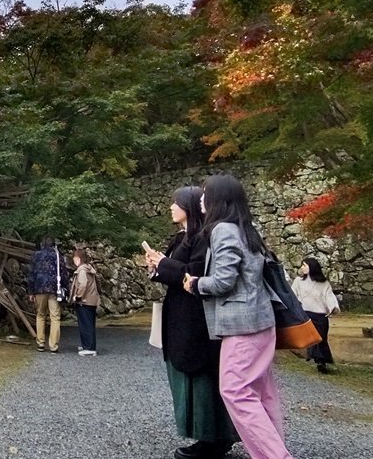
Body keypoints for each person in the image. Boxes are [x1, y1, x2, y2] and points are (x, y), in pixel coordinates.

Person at [183, 174, 294, 459]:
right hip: (261, 322)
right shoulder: (246, 229)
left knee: (235, 391)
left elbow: (223, 281)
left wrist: (195, 283)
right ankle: (274, 451)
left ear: (219, 198)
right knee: (262, 393)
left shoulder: (223, 230)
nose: (201, 199)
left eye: (205, 194)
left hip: (242, 325)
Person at [145, 186, 238, 459]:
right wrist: (156, 269)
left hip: (197, 319)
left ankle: (213, 438)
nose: (170, 208)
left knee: (201, 375)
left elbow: (194, 275)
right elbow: (174, 274)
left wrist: (164, 264)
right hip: (179, 316)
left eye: (175, 203)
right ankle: (207, 435)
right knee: (187, 374)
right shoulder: (180, 238)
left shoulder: (203, 238)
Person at [292, 257, 340, 373]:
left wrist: (332, 307)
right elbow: (293, 295)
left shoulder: (324, 284)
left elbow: (329, 297)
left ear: (311, 267)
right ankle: (319, 361)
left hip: (320, 316)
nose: (302, 268)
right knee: (313, 339)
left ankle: (322, 361)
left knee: (321, 339)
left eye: (304, 265)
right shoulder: (298, 282)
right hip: (306, 315)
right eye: (302, 265)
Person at [27, 236, 64, 353]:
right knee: (55, 317)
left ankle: (40, 343)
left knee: (40, 315)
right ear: (54, 244)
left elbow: (31, 274)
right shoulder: (58, 256)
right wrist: (65, 289)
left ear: (42, 244)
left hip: (39, 288)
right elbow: (64, 274)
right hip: (54, 289)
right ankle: (54, 345)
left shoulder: (36, 255)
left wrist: (30, 291)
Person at [70, 247, 99, 356]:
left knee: (85, 324)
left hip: (84, 301)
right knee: (90, 324)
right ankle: (88, 345)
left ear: (78, 258)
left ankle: (89, 347)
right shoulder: (89, 268)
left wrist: (77, 297)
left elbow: (83, 284)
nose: (73, 260)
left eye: (74, 258)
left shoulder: (82, 270)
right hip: (92, 300)